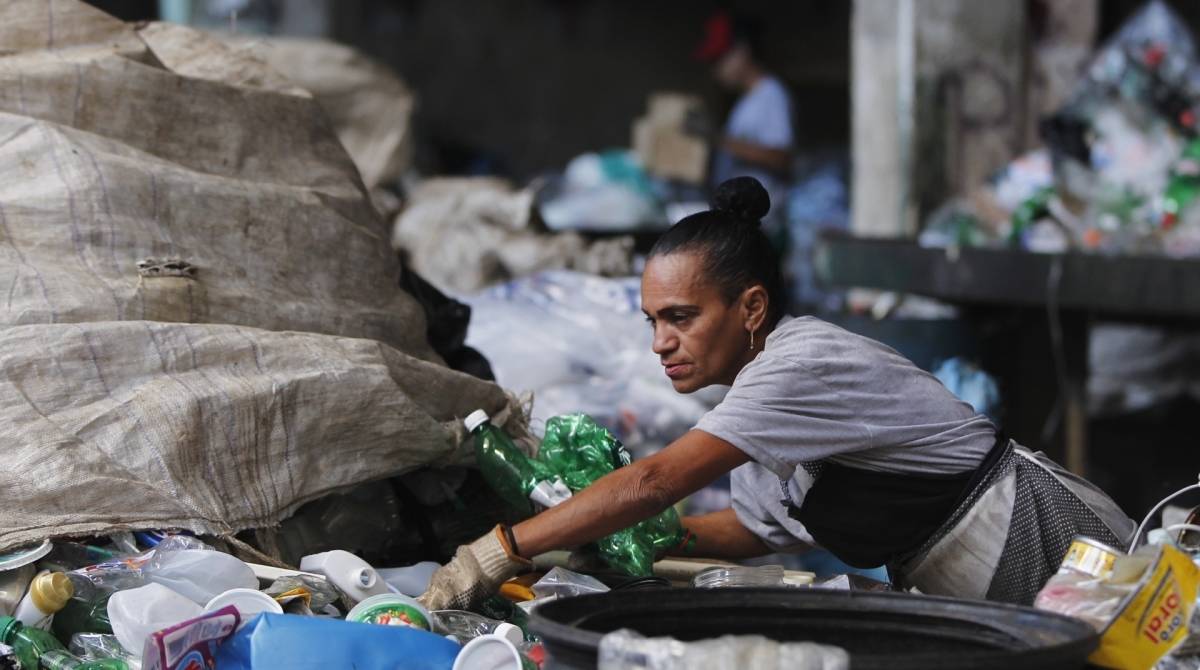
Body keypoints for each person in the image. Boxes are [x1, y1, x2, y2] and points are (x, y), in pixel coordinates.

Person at [418, 177, 1134, 611]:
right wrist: (594, 537)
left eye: (681, 317)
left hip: (1049, 546)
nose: (659, 342)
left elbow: (656, 480)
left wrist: (503, 549)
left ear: (752, 308)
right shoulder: (762, 422)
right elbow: (754, 531)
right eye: (652, 321)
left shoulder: (798, 365)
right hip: (978, 575)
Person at [696, 12, 793, 236]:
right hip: (740, 221)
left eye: (719, 59)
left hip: (761, 222)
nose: (715, 69)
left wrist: (717, 138)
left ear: (742, 51)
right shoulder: (747, 101)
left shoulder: (771, 94)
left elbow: (781, 157)